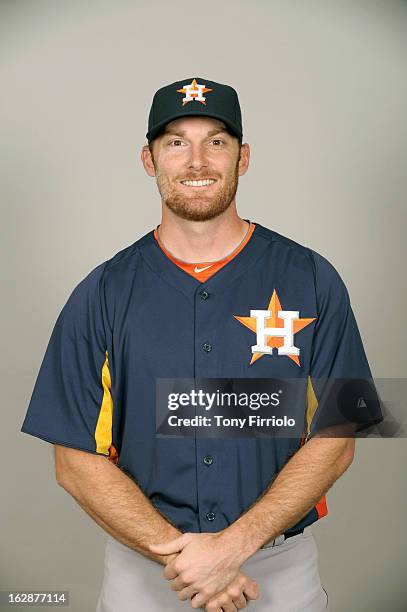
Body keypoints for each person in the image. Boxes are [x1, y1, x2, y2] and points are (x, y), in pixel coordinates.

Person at [21, 77, 382, 611]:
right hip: (146, 574)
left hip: (278, 570)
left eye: (216, 141)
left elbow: (340, 429)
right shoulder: (102, 292)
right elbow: (73, 459)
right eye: (175, 143)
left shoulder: (310, 276)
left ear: (244, 157)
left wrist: (234, 545)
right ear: (149, 159)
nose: (197, 161)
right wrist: (185, 558)